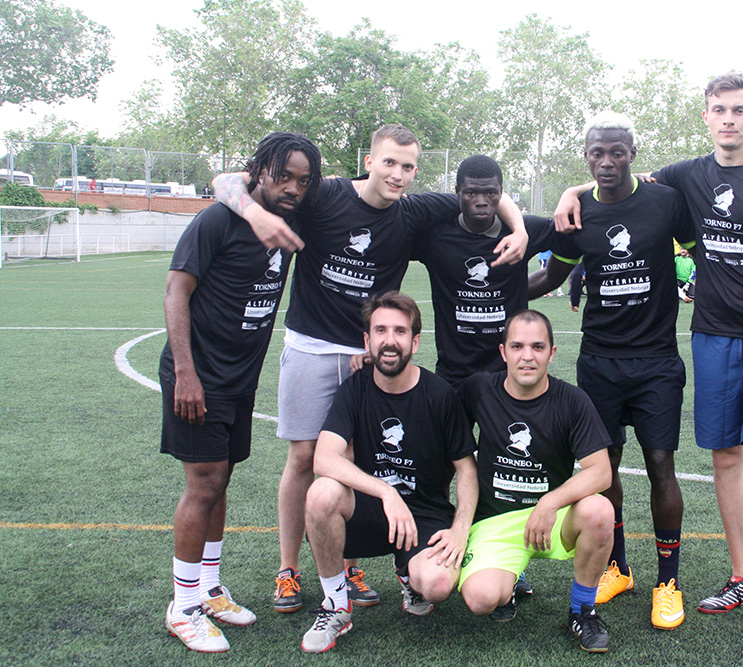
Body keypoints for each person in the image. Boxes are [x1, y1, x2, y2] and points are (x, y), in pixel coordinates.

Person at [212, 125, 526, 613]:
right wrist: (254, 213)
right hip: (313, 346)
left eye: (408, 166)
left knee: (359, 457)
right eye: (389, 163)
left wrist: (520, 229)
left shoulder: (413, 210)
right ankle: (288, 570)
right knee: (304, 458)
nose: (398, 174)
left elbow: (485, 195)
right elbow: (226, 181)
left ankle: (350, 568)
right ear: (370, 161)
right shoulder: (328, 193)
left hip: (374, 352)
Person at [555, 73, 743, 656]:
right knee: (725, 459)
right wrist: (573, 190)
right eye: (719, 109)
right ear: (706, 116)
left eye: (739, 110)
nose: (729, 119)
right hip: (713, 338)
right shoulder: (685, 176)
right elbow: (617, 175)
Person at [531, 111, 696, 631]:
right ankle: (618, 568)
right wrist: (497, 295)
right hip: (600, 362)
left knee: (661, 464)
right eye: (597, 153)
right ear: (586, 156)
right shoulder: (577, 211)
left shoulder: (665, 202)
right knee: (605, 468)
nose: (607, 161)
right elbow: (550, 276)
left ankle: (667, 582)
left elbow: (705, 257)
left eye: (616, 152)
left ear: (631, 153)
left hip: (656, 362)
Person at [160, 132, 322, 652]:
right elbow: (176, 292)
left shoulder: (292, 216)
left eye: (303, 180)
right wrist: (186, 372)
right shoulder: (218, 219)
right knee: (203, 483)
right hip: (198, 375)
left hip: (238, 379)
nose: (293, 188)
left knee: (221, 479)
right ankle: (183, 606)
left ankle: (208, 589)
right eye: (283, 176)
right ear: (260, 171)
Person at [298, 292, 478, 653]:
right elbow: (324, 459)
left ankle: (410, 574)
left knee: (438, 585)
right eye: (380, 330)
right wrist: (386, 491)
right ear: (368, 340)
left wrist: (460, 529)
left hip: (424, 514)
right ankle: (336, 606)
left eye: (399, 331)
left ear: (415, 341)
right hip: (371, 509)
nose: (389, 340)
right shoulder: (354, 389)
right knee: (321, 494)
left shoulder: (439, 394)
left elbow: (467, 470)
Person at [458, 310, 614, 652]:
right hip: (495, 523)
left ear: (552, 353)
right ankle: (509, 580)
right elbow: (444, 430)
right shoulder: (479, 390)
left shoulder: (571, 400)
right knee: (481, 599)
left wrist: (550, 502)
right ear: (503, 352)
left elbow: (601, 471)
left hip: (552, 520)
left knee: (600, 511)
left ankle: (582, 611)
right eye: (517, 346)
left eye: (537, 347)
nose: (527, 356)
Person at [411, 155, 555, 389]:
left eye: (490, 193)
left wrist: (543, 281)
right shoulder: (435, 236)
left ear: (501, 194)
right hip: (453, 374)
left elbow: (572, 238)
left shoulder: (523, 232)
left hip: (510, 374)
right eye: (471, 193)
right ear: (457, 193)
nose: (481, 201)